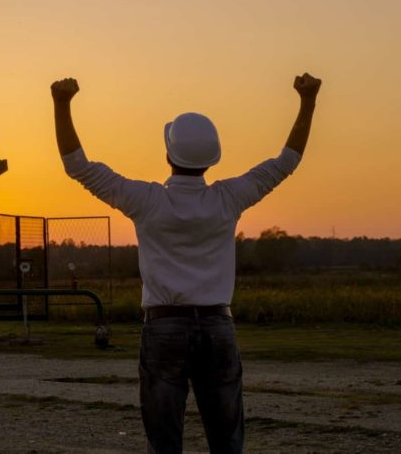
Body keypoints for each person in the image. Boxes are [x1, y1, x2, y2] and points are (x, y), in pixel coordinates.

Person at [50, 73, 321, 454]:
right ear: (212, 160)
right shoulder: (229, 198)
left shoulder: (146, 201)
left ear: (168, 154)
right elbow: (286, 161)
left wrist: (61, 103)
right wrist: (307, 100)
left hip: (164, 328)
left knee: (164, 443)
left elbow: (77, 165)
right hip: (218, 326)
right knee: (227, 443)